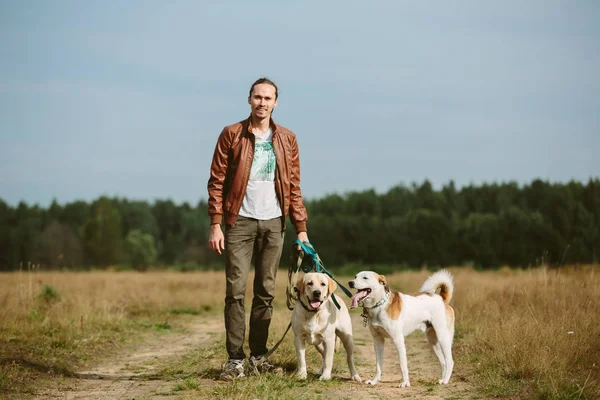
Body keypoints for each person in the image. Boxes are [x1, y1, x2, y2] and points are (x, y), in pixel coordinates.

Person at [207, 77, 309, 380]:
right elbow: (216, 182)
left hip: (274, 222)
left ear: (276, 103)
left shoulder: (287, 139)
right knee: (235, 291)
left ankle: (258, 357)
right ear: (249, 100)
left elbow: (294, 186)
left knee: (265, 292)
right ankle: (235, 360)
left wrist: (300, 227)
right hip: (239, 221)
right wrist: (216, 224)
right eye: (257, 97)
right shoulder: (232, 134)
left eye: (268, 98)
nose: (262, 103)